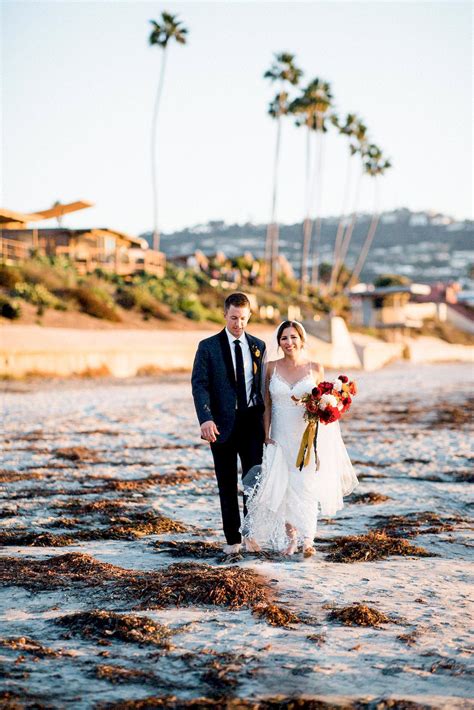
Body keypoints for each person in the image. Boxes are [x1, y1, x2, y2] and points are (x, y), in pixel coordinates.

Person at [242, 320, 358, 557]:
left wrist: (327, 416)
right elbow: (267, 404)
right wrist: (266, 435)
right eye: (284, 338)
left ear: (302, 340)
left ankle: (308, 540)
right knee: (285, 488)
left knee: (305, 486)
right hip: (280, 435)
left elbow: (325, 404)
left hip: (307, 436)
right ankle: (292, 540)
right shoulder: (271, 368)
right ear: (279, 342)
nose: (289, 342)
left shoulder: (315, 368)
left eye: (293, 337)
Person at [191, 292, 266, 554]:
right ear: (225, 315)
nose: (238, 324)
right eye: (234, 318)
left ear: (249, 316)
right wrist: (205, 418)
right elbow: (199, 385)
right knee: (226, 483)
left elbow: (264, 388)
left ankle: (251, 535)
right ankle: (233, 541)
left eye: (243, 319)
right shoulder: (208, 346)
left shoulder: (259, 346)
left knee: (253, 482)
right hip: (220, 424)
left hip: (251, 422)